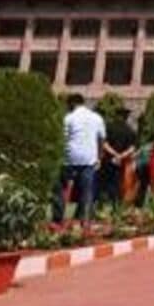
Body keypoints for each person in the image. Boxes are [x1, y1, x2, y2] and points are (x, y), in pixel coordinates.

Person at [53, 94, 105, 224]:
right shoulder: (96, 118)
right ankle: (84, 219)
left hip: (70, 157)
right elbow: (101, 139)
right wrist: (99, 157)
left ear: (72, 104)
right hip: (89, 158)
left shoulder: (69, 118)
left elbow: (63, 138)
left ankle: (58, 218)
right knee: (87, 190)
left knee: (61, 188)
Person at [97, 104, 137, 207]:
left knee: (104, 184)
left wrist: (114, 154)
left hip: (108, 159)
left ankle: (101, 205)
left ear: (116, 115)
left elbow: (104, 144)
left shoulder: (108, 127)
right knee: (118, 183)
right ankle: (116, 206)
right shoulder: (130, 130)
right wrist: (120, 156)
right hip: (121, 161)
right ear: (126, 117)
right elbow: (132, 148)